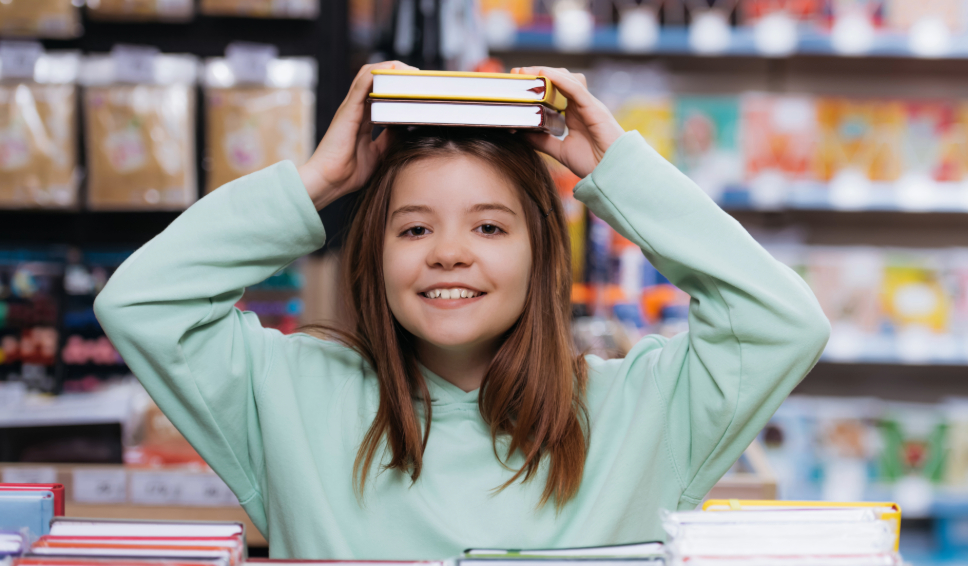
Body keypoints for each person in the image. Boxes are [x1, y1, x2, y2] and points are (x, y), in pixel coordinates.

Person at [94, 61, 831, 560]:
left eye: (489, 226)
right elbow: (144, 302)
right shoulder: (288, 395)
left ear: (542, 254)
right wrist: (320, 179)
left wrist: (618, 169)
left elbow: (782, 323)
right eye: (414, 228)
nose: (448, 253)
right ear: (372, 256)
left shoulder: (643, 410)